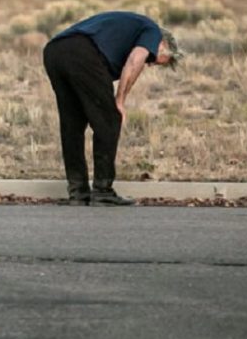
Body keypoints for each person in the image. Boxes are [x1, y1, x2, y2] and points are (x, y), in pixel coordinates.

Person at [42, 11, 183, 206]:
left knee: (72, 125)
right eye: (152, 60)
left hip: (54, 51)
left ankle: (78, 192)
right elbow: (135, 61)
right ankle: (102, 191)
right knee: (110, 120)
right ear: (163, 44)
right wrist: (120, 101)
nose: (149, 64)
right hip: (81, 52)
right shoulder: (152, 31)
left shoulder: (130, 29)